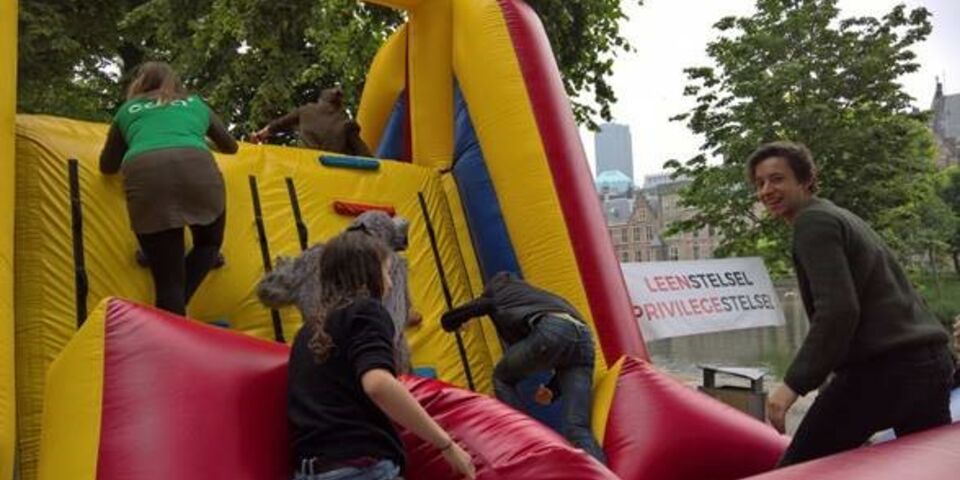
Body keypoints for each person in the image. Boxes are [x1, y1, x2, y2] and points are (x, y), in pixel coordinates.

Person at [749, 141, 954, 466]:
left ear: (804, 180)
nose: (766, 190)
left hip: (885, 372)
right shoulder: (838, 216)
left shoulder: (812, 223)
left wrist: (791, 386)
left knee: (798, 471)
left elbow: (839, 311)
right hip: (930, 363)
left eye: (777, 179)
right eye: (760, 183)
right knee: (929, 468)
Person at [287, 231, 475, 480]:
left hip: (310, 469)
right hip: (361, 466)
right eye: (387, 272)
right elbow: (377, 383)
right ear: (369, 274)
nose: (390, 282)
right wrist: (446, 445)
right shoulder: (366, 310)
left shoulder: (307, 331)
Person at [100, 61, 238, 316]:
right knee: (208, 244)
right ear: (174, 83)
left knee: (168, 281)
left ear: (139, 83)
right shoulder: (196, 104)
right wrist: (196, 136)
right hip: (198, 169)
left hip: (146, 175)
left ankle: (165, 292)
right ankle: (169, 306)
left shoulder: (128, 110)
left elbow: (108, 166)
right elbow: (230, 146)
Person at [440, 271, 606, 464]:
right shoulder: (538, 296)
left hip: (553, 330)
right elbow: (569, 345)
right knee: (576, 427)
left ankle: (524, 438)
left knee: (502, 378)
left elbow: (458, 314)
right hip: (584, 340)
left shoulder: (497, 292)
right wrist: (553, 389)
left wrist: (456, 322)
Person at [250, 86, 372, 156]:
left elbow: (279, 124)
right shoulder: (346, 123)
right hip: (335, 173)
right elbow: (365, 154)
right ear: (339, 106)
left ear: (320, 100)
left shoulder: (305, 111)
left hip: (307, 166)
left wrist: (259, 135)